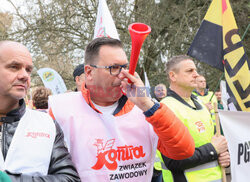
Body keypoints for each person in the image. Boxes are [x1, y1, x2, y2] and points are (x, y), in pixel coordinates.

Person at [49, 37, 195, 181]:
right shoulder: (60, 108)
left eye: (125, 67)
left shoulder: (146, 107)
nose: (123, 75)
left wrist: (147, 104)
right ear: (89, 72)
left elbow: (184, 151)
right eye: (114, 68)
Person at [0, 40, 80, 181]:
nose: (24, 75)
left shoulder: (47, 124)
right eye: (14, 67)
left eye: (28, 70)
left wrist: (11, 180)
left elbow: (70, 179)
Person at [160, 55, 230, 181]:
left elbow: (214, 142)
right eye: (189, 71)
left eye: (196, 70)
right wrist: (213, 150)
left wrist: (223, 156)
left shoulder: (200, 105)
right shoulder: (166, 107)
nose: (196, 75)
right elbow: (173, 161)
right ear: (173, 76)